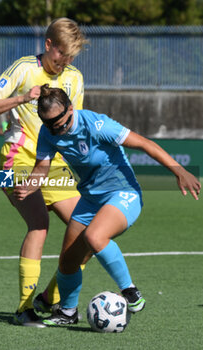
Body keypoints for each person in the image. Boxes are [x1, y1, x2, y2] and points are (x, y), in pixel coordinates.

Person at [14, 84, 201, 325]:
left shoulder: (97, 125)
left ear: (71, 109)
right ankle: (68, 312)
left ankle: (131, 292)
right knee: (68, 262)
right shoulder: (48, 132)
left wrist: (179, 171)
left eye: (60, 123)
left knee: (95, 236)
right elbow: (41, 168)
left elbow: (145, 144)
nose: (57, 130)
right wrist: (29, 185)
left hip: (123, 194)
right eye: (50, 124)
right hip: (91, 199)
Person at [0, 18, 88, 328]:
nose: (63, 63)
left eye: (70, 58)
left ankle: (49, 298)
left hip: (54, 165)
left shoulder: (75, 79)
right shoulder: (24, 68)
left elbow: (74, 127)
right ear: (48, 45)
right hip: (12, 161)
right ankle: (23, 309)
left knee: (92, 232)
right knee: (39, 224)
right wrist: (23, 97)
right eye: (60, 55)